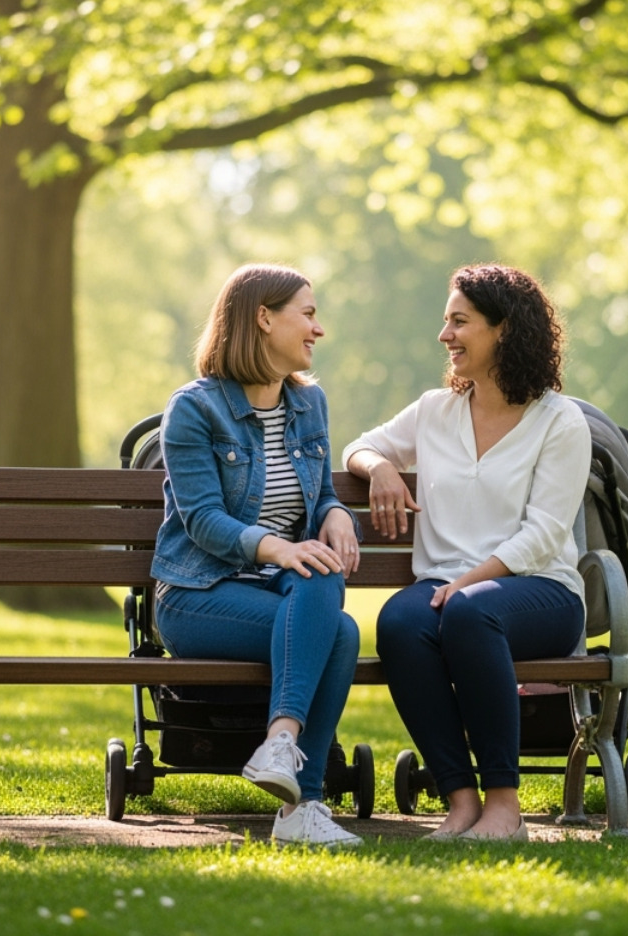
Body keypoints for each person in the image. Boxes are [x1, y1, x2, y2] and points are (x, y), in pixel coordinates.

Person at [343, 264, 590, 842]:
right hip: (447, 591)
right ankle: (460, 802)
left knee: (471, 612)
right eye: (446, 321)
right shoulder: (435, 410)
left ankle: (505, 808)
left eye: (459, 322)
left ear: (504, 329)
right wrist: (380, 467)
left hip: (540, 591)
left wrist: (469, 582)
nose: (444, 335)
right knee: (400, 622)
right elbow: (361, 445)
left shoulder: (560, 421)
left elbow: (544, 533)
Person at [149, 264, 364, 847]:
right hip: (198, 595)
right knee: (338, 630)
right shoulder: (195, 409)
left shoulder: (309, 403)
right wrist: (280, 548)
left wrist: (336, 514)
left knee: (327, 589)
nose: (318, 329)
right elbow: (202, 519)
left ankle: (280, 747)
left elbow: (320, 492)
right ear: (264, 318)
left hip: (279, 588)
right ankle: (302, 804)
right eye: (308, 314)